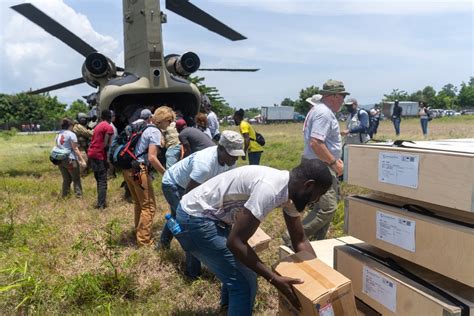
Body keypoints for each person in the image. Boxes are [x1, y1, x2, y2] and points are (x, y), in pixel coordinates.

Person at [174, 159, 332, 315]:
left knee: (237, 271)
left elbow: (300, 240)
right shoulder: (270, 189)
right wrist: (273, 279)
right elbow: (236, 243)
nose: (316, 200)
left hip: (210, 218)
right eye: (318, 195)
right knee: (245, 284)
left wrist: (318, 277)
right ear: (309, 185)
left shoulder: (290, 192)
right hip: (194, 218)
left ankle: (228, 308)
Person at [158, 130, 244, 279]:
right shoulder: (205, 164)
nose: (235, 158)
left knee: (175, 215)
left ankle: (162, 244)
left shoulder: (231, 163)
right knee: (187, 225)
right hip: (173, 184)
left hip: (192, 186)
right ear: (221, 148)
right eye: (232, 154)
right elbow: (187, 200)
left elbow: (224, 189)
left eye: (237, 154)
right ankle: (192, 273)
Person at [299, 79, 349, 241]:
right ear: (333, 95)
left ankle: (317, 243)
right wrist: (333, 163)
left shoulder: (319, 111)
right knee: (327, 209)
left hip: (320, 165)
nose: (343, 100)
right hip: (321, 166)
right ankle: (292, 237)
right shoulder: (324, 113)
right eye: (342, 96)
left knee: (327, 206)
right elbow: (316, 142)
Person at [122, 107, 171, 246]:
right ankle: (144, 242)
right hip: (139, 170)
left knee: (139, 203)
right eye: (169, 120)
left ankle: (138, 233)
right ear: (162, 120)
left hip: (128, 169)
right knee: (149, 207)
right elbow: (152, 158)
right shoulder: (154, 131)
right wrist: (166, 173)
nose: (170, 124)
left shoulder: (143, 127)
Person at [87, 110, 114, 209]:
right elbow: (106, 145)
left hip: (91, 153)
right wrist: (107, 160)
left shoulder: (98, 125)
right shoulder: (109, 127)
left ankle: (100, 201)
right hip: (99, 155)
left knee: (98, 179)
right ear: (110, 117)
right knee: (103, 180)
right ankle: (101, 204)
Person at [55, 118, 87, 198]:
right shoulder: (71, 134)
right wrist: (82, 160)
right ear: (69, 126)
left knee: (66, 179)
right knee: (76, 178)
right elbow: (75, 149)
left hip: (60, 159)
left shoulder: (58, 134)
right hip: (70, 159)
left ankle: (65, 196)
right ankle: (79, 196)